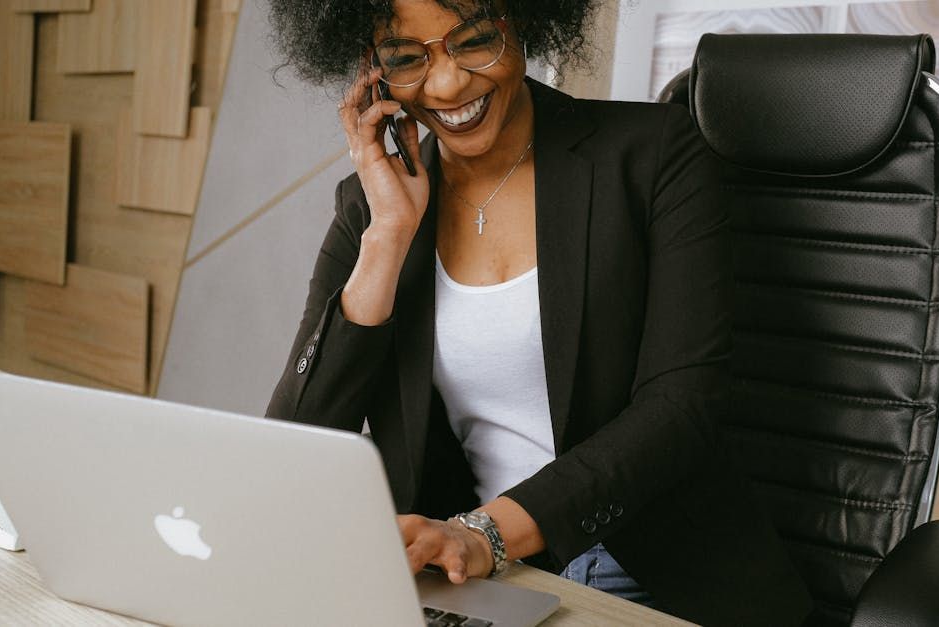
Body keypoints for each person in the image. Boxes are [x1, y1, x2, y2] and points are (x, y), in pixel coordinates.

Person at [265, 1, 812, 624]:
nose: (446, 84)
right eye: (405, 58)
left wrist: (484, 535)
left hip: (643, 563)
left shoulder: (654, 155)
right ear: (373, 71)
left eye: (473, 42)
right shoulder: (372, 205)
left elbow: (682, 406)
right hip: (461, 577)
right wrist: (388, 234)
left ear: (524, 22)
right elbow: (298, 439)